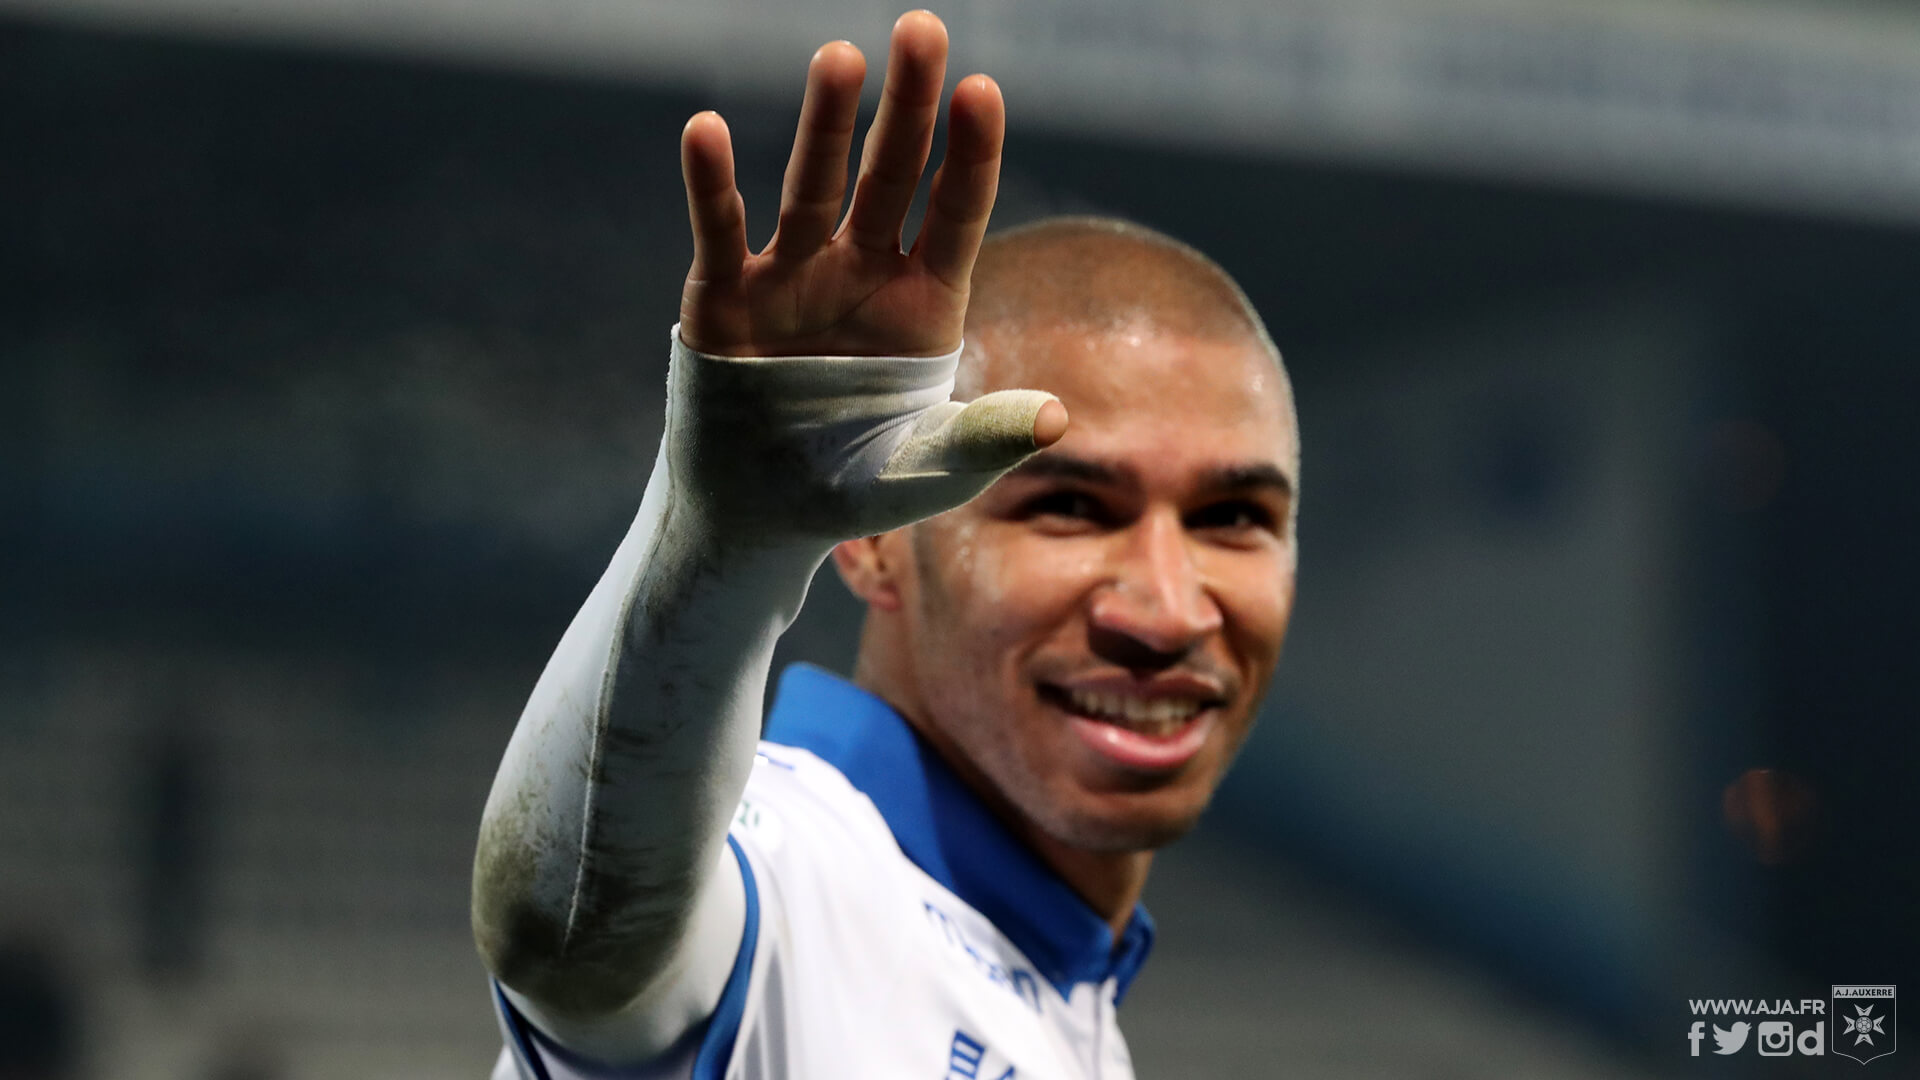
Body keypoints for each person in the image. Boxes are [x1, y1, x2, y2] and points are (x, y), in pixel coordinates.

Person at [471, 10, 1299, 1078]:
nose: (1169, 610)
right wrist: (720, 553)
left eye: (1233, 519)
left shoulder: (1066, 1001)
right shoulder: (788, 882)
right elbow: (576, 944)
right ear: (873, 543)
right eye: (1069, 507)